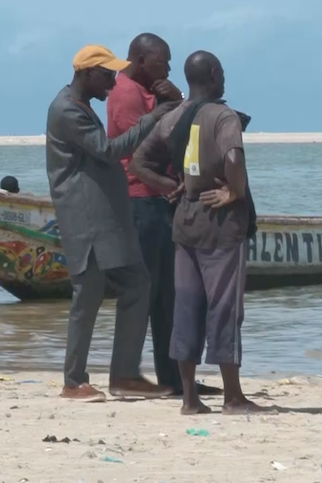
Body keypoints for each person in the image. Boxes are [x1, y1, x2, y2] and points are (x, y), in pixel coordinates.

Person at [131, 51, 269, 415]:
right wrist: (234, 192)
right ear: (213, 74)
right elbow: (233, 159)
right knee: (224, 308)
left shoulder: (174, 117)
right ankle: (233, 396)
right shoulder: (223, 116)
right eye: (221, 71)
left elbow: (139, 162)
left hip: (185, 219)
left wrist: (169, 185)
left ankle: (190, 398)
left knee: (187, 307)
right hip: (220, 224)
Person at [45, 44, 180, 402]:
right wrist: (153, 118)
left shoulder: (81, 105)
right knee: (87, 295)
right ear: (87, 73)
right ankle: (74, 381)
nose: (112, 82)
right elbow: (108, 150)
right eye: (107, 75)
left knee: (137, 284)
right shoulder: (66, 110)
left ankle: (124, 375)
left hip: (105, 219)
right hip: (85, 220)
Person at [107, 34, 221, 397]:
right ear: (141, 61)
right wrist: (172, 185)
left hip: (157, 201)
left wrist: (176, 98)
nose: (168, 69)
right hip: (141, 202)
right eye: (163, 62)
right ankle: (130, 374)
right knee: (148, 291)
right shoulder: (126, 94)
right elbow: (142, 151)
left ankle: (173, 375)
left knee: (168, 295)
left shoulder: (148, 92)